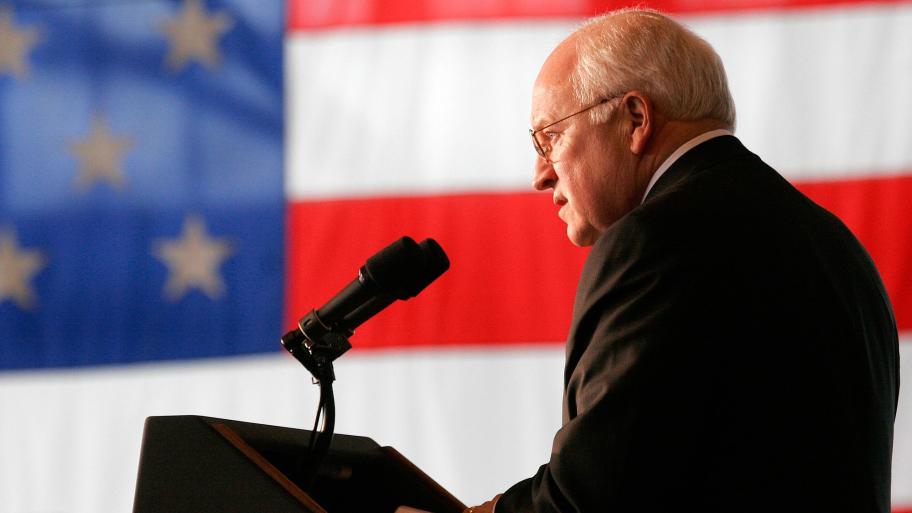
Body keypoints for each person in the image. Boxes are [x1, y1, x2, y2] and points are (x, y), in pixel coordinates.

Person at [465, 8, 899, 513]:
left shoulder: (652, 242)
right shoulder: (837, 246)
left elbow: (593, 501)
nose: (541, 174)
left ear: (634, 119)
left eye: (550, 139)